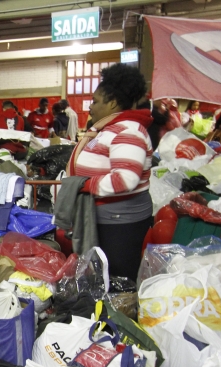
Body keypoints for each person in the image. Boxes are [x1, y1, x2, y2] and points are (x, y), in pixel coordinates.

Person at [65, 63, 154, 280]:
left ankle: (118, 313)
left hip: (120, 222)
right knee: (104, 275)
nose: (90, 107)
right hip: (107, 216)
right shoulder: (109, 128)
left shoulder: (128, 131)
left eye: (95, 102)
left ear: (113, 102)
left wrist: (82, 184)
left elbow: (125, 179)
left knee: (117, 277)